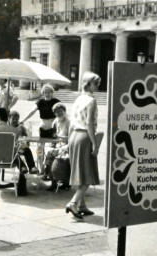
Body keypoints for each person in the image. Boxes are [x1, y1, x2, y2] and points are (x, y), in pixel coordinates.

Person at [65, 72, 101, 220]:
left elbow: (71, 122)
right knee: (87, 175)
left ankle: (82, 206)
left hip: (74, 136)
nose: (98, 86)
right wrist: (95, 144)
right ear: (89, 84)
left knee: (79, 172)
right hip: (85, 137)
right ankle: (73, 203)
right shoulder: (91, 101)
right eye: (96, 83)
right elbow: (90, 124)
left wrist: (68, 141)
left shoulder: (78, 99)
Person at [19, 84, 60, 179]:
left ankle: (49, 169)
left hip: (53, 128)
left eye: (49, 92)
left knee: (53, 149)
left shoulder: (56, 102)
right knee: (40, 148)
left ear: (52, 93)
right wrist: (23, 119)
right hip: (43, 128)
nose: (47, 94)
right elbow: (32, 111)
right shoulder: (40, 102)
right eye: (45, 92)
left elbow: (63, 113)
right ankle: (41, 168)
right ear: (43, 93)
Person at [44, 103, 70, 191]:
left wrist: (61, 139)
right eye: (56, 112)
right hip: (59, 145)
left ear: (64, 111)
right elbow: (53, 134)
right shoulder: (56, 121)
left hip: (68, 145)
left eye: (60, 111)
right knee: (47, 151)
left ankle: (54, 181)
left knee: (51, 154)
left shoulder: (69, 121)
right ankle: (51, 176)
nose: (59, 113)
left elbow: (71, 136)